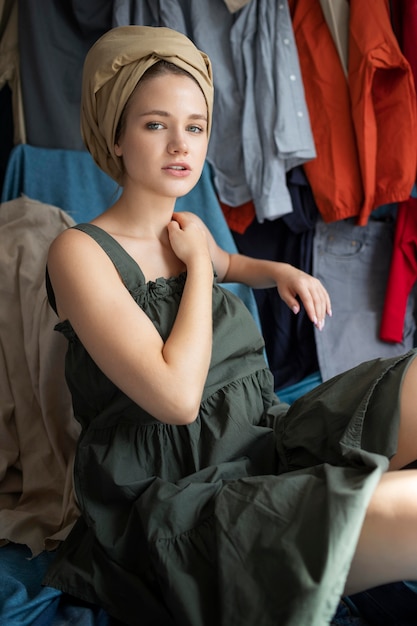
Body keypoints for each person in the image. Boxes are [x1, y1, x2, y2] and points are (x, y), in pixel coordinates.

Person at [44, 25, 417, 626]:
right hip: (176, 494)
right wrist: (196, 269)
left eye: (194, 126)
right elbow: (177, 398)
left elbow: (230, 262)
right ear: (114, 135)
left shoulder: (189, 229)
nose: (179, 145)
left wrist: (280, 272)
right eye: (154, 124)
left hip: (259, 437)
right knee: (407, 506)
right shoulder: (79, 252)